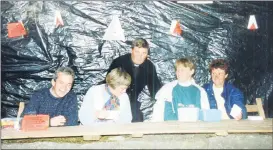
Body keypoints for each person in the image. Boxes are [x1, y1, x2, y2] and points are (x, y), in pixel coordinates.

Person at [105, 38, 162, 122]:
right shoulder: (119, 62)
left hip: (132, 102)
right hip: (114, 98)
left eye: (144, 53)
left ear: (147, 53)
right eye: (137, 52)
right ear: (131, 50)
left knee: (137, 120)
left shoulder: (149, 67)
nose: (140, 56)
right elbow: (108, 84)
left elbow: (155, 90)